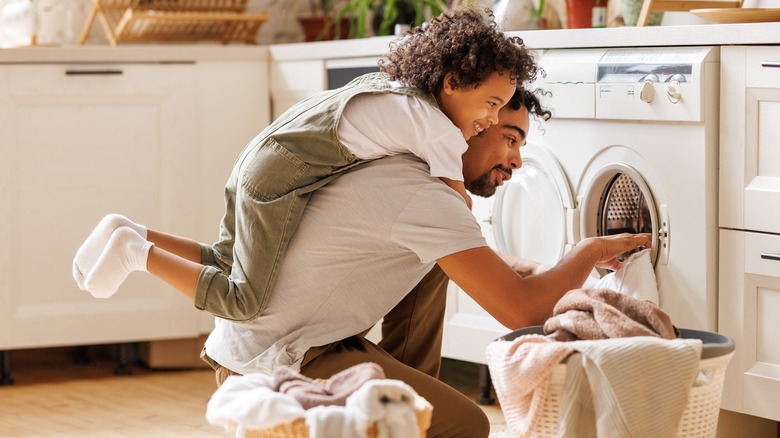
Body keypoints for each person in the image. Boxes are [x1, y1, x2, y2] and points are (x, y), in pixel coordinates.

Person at [200, 88, 647, 437]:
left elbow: (435, 247)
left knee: (437, 264)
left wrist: (517, 268)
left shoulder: (405, 169)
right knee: (468, 426)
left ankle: (401, 413)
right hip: (278, 360)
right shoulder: (422, 195)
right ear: (475, 125)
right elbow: (525, 312)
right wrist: (586, 251)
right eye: (510, 138)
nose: (516, 161)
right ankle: (402, 418)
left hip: (282, 342)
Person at [71, 8, 538, 322]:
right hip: (279, 179)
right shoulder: (435, 129)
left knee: (226, 259)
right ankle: (137, 253)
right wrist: (500, 268)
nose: (491, 120)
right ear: (453, 82)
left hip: (258, 162)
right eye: (492, 105)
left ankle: (131, 228)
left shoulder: (401, 93)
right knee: (244, 301)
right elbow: (457, 213)